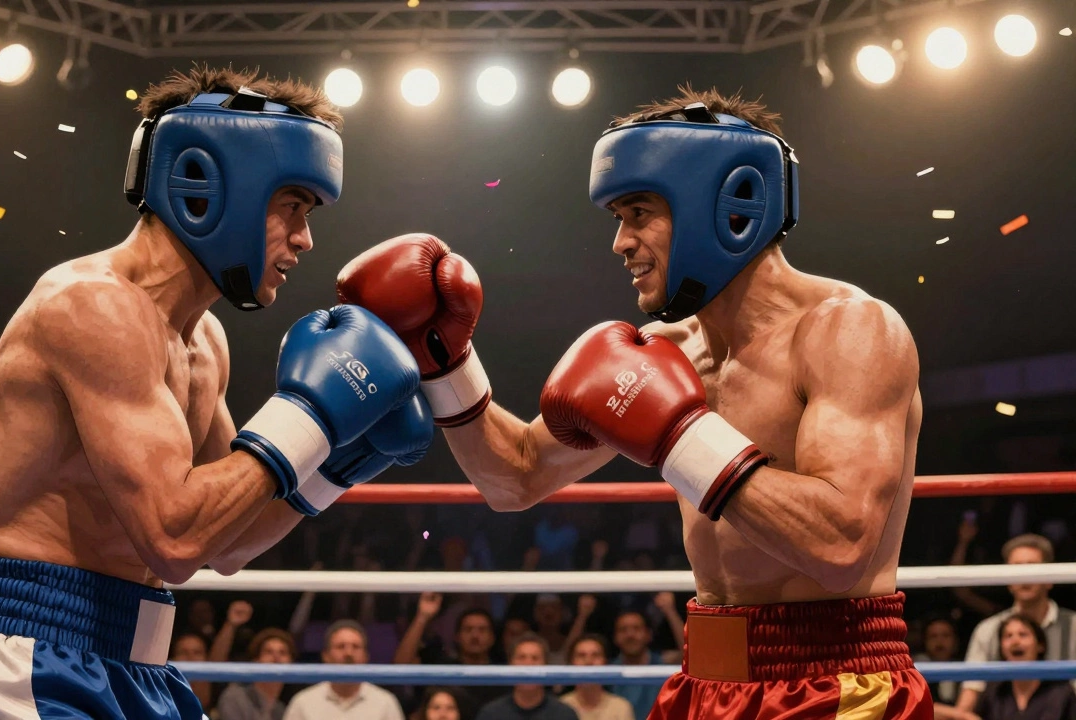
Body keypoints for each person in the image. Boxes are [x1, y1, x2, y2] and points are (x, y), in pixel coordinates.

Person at [338, 85, 931, 718]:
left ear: (723, 206)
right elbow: (514, 478)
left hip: (836, 683)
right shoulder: (664, 352)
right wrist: (445, 359)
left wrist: (681, 435)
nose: (621, 243)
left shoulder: (850, 331)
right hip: (703, 680)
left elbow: (840, 548)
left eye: (639, 214)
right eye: (618, 219)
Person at [0, 66, 433, 719]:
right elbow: (173, 538)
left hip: (142, 666)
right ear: (218, 186)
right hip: (32, 657)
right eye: (293, 206)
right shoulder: (92, 309)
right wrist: (310, 413)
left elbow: (226, 543)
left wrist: (341, 460)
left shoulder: (203, 341)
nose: (305, 239)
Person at [955, 534, 1076, 712]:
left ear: (1050, 578)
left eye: (1032, 567)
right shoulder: (988, 630)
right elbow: (968, 701)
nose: (1024, 575)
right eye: (1017, 568)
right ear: (1008, 579)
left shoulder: (1074, 627)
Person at [395, 597, 501, 715]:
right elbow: (400, 666)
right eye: (468, 629)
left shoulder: (503, 674)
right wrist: (422, 617)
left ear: (492, 638)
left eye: (482, 630)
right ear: (457, 636)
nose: (475, 635)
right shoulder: (441, 667)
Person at [284, 620, 405, 720]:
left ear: (365, 656)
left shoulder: (385, 703)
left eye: (356, 647)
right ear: (325, 655)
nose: (348, 653)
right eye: (341, 647)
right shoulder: (303, 703)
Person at [973, 614, 1076, 720]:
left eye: (1023, 635)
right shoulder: (993, 692)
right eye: (1008, 636)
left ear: (1040, 645)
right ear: (1002, 649)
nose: (1015, 641)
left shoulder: (1061, 691)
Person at [474, 633, 579, 720]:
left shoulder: (565, 715)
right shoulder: (490, 714)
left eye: (535, 658)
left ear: (546, 666)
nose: (528, 664)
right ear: (510, 665)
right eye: (521, 657)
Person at [216, 627, 297, 720]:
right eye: (269, 652)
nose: (276, 657)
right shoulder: (235, 698)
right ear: (256, 661)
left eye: (282, 653)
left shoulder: (281, 709)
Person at [560, 635, 635, 720]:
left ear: (605, 662)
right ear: (572, 663)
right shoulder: (560, 707)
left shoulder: (621, 707)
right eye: (581, 655)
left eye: (595, 655)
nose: (588, 661)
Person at [169, 632, 216, 712]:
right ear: (173, 659)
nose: (191, 658)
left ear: (206, 658)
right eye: (183, 652)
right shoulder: (162, 691)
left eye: (197, 653)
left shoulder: (216, 684)